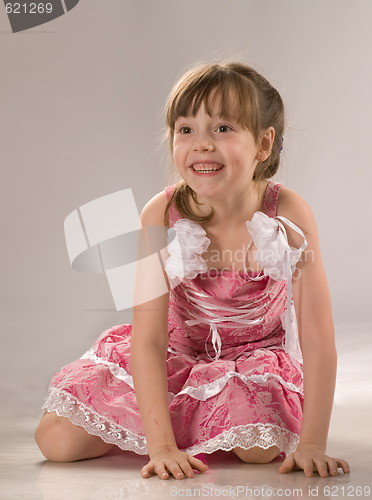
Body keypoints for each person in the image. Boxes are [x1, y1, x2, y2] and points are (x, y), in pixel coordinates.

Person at [35, 61, 350, 480]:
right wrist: (161, 448)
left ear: (262, 143)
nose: (201, 144)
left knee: (258, 448)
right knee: (56, 442)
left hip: (250, 361)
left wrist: (312, 444)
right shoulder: (162, 213)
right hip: (175, 354)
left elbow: (317, 334)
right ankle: (174, 424)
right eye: (186, 130)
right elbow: (148, 339)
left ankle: (207, 419)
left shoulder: (287, 214)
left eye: (222, 128)